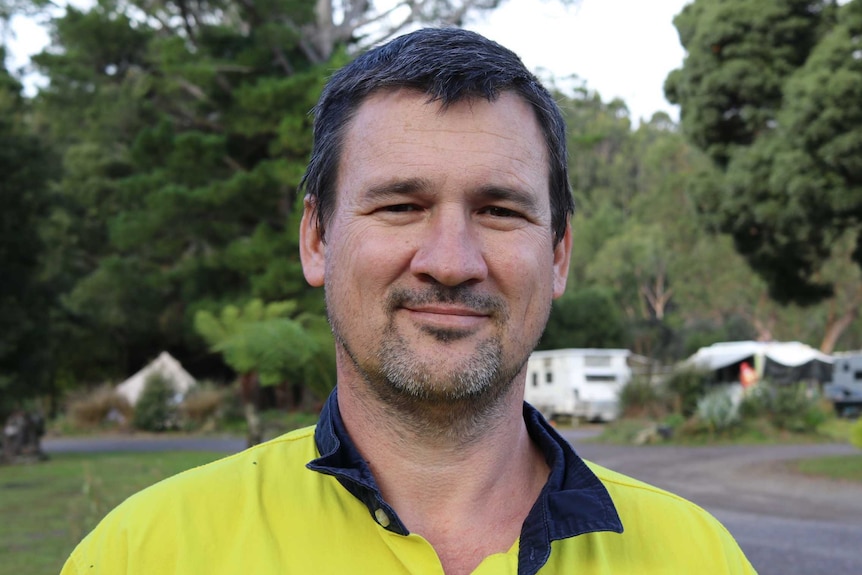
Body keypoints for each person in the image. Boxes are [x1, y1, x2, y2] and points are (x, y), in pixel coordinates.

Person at [61, 28, 756, 575]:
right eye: (400, 205)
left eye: (500, 211)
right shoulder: (142, 553)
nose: (451, 261)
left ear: (559, 253)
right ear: (316, 238)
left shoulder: (699, 557)